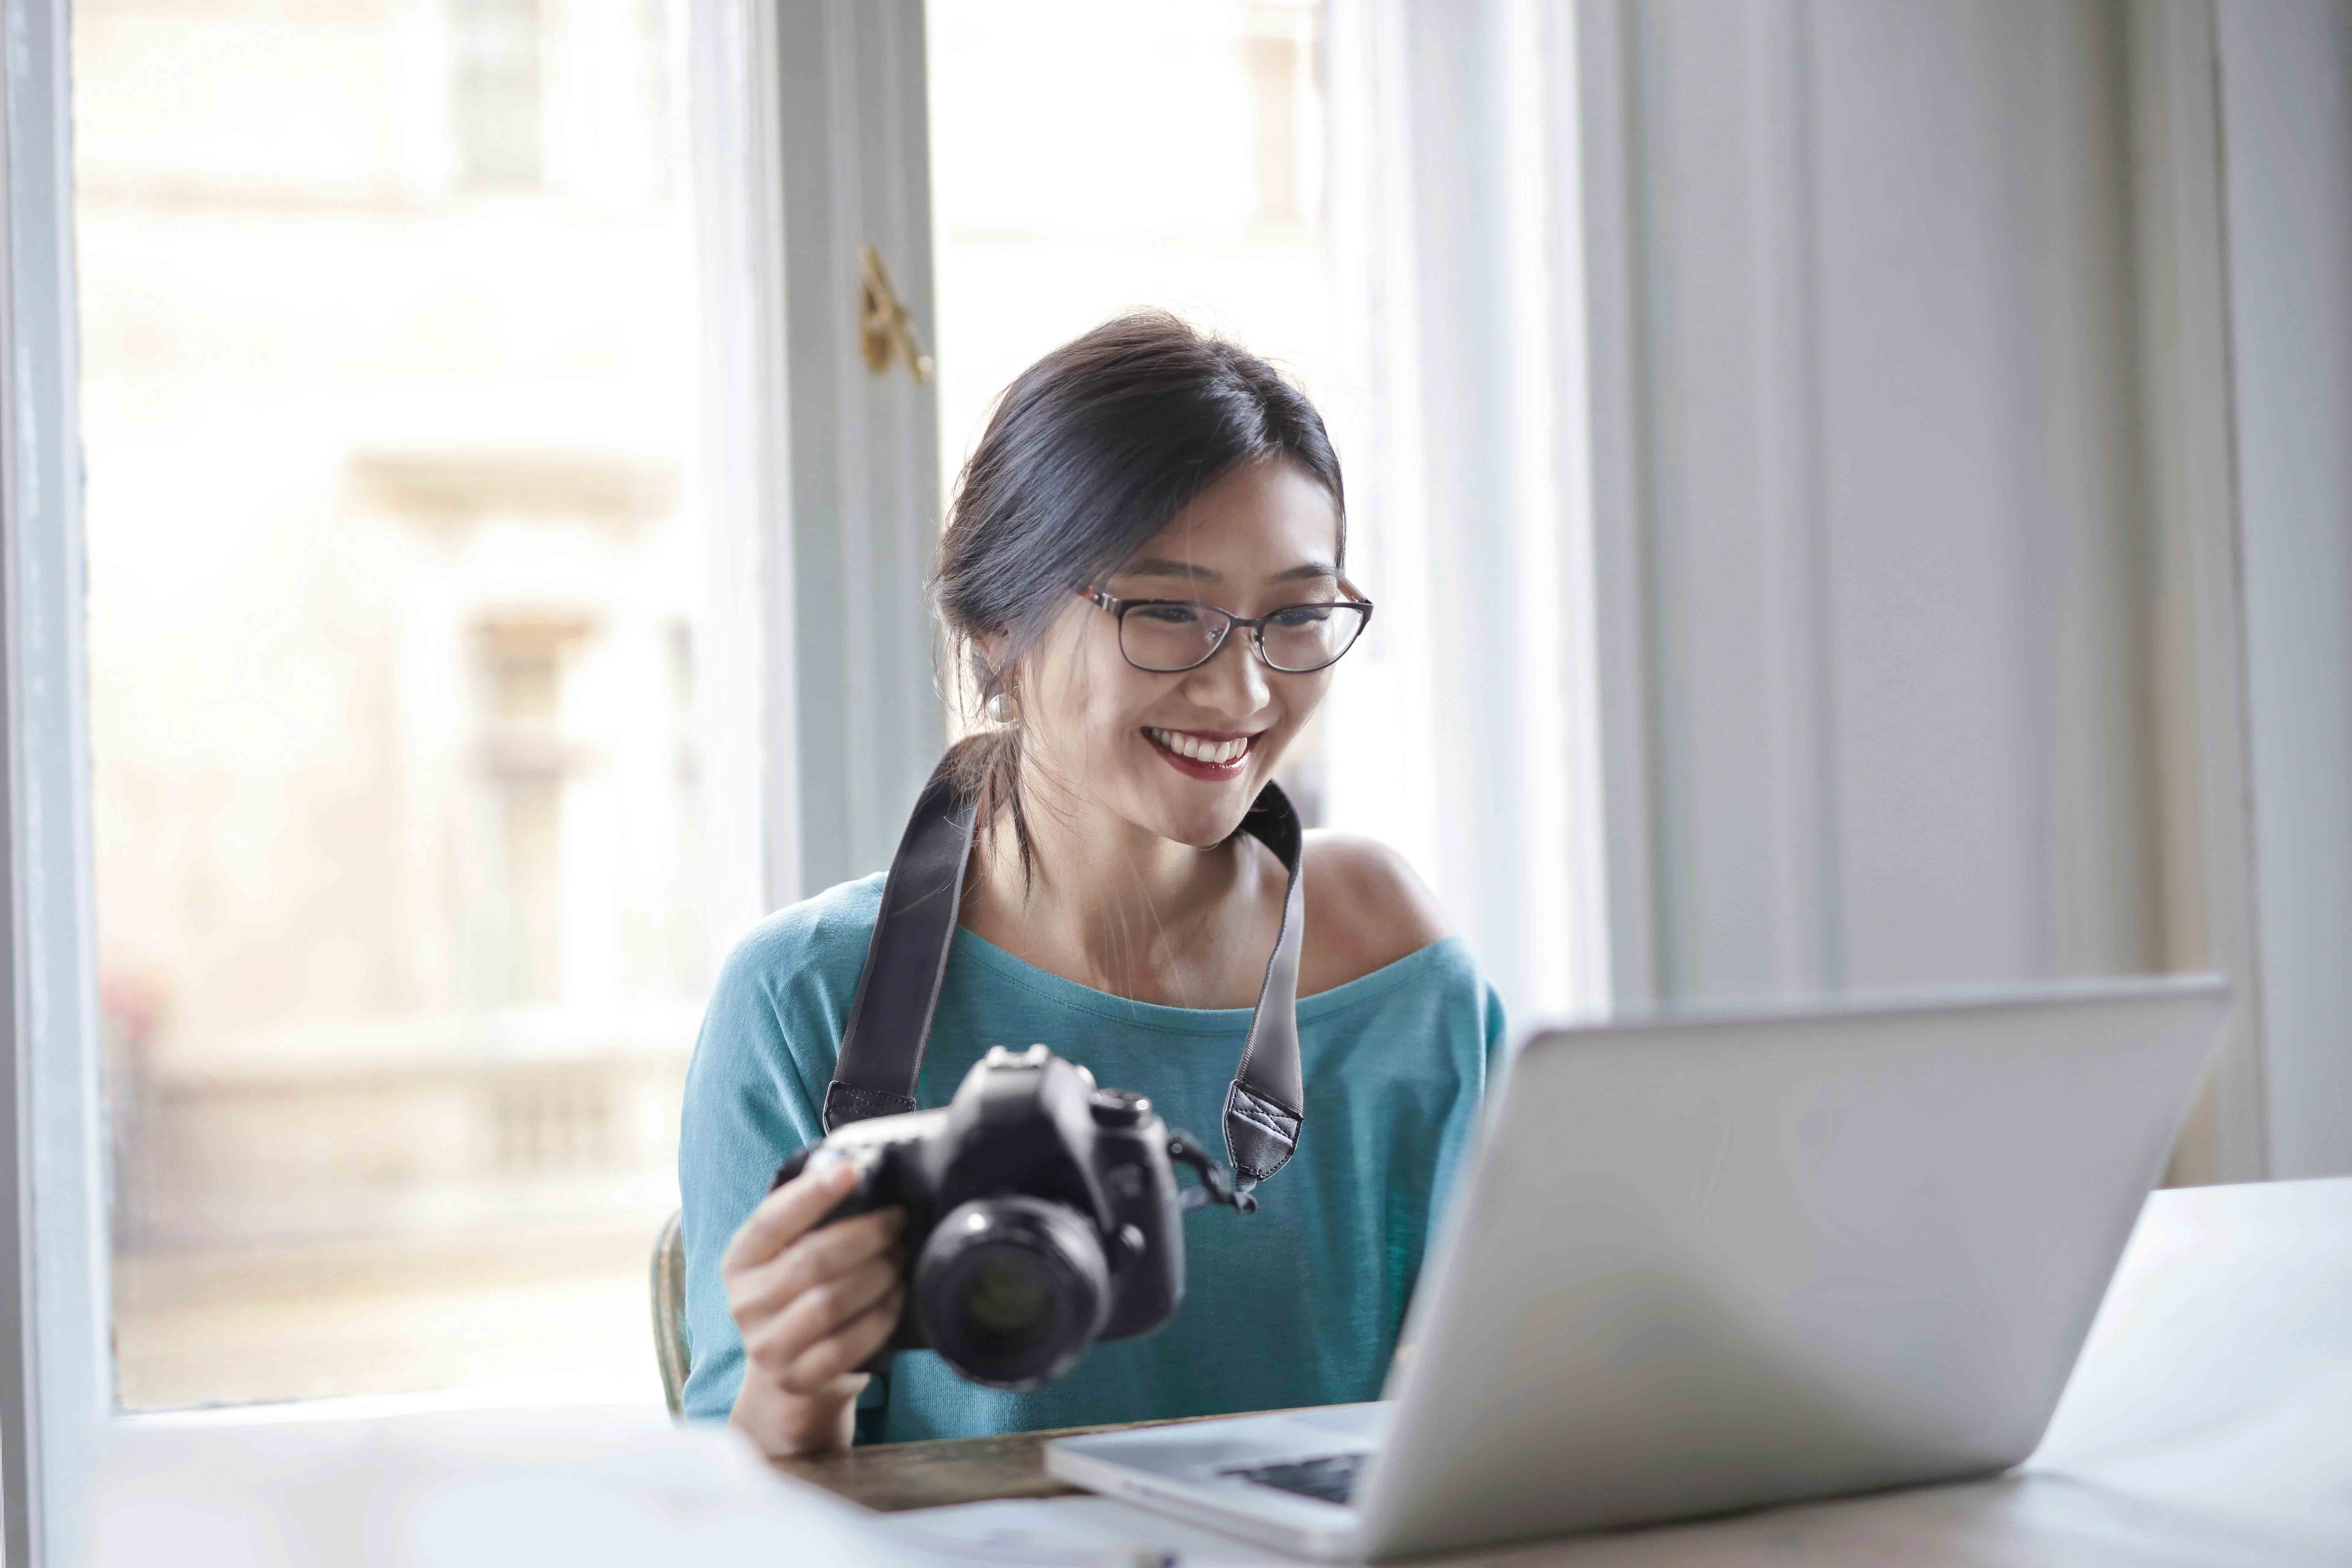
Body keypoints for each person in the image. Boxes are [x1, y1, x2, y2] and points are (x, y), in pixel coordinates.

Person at [679, 311, 1505, 1456]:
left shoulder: (1390, 958)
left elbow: (1536, 1398)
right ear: (994, 625)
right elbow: (739, 1506)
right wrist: (795, 1384)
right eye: (1167, 610)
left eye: (1295, 617)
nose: (1245, 693)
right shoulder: (807, 999)